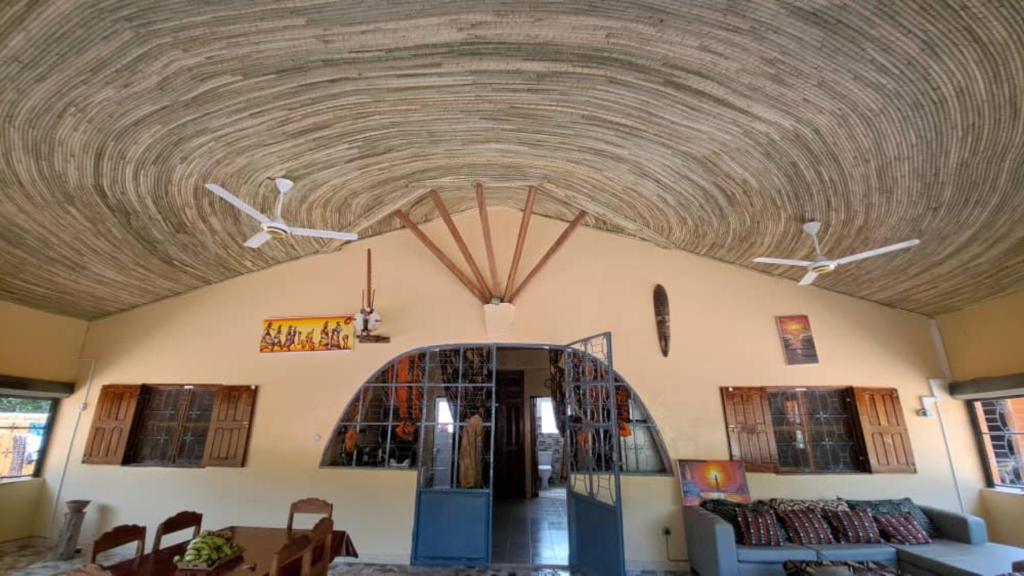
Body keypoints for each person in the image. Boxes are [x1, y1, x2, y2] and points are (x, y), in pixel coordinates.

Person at [458, 407, 486, 488]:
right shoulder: (476, 420)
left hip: (468, 447)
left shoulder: (472, 420)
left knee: (468, 463)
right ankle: (470, 482)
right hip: (471, 446)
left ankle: (468, 482)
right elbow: (479, 434)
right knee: (471, 463)